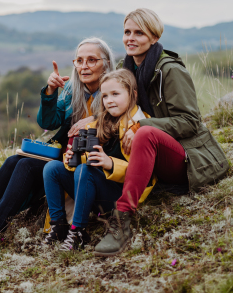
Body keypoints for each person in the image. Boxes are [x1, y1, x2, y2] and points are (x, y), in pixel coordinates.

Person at [0, 37, 115, 265]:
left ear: (105, 63)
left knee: (26, 165)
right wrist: (50, 91)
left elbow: (120, 119)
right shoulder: (71, 89)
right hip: (65, 157)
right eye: (79, 60)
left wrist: (94, 119)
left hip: (89, 166)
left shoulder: (113, 90)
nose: (84, 66)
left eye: (91, 60)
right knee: (13, 161)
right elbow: (47, 121)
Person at [93, 8, 229, 257]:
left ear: (154, 37)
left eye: (139, 33)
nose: (130, 38)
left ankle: (122, 220)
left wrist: (144, 126)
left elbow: (190, 121)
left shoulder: (170, 70)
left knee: (144, 133)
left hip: (186, 157)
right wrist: (90, 121)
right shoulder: (130, 70)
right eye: (126, 32)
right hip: (151, 155)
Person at [42, 69, 156, 250]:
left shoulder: (141, 126)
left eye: (115, 94)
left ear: (133, 94)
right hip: (93, 191)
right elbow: (86, 165)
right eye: (105, 96)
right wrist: (72, 159)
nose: (109, 100)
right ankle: (59, 225)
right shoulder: (97, 124)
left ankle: (78, 230)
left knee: (85, 170)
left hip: (120, 197)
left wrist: (110, 163)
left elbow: (145, 175)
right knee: (53, 168)